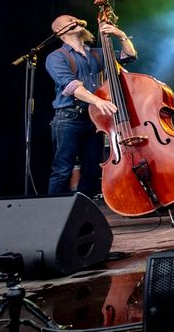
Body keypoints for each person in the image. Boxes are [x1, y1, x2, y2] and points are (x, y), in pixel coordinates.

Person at [44, 14, 137, 196]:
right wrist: (98, 100)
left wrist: (121, 35)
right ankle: (53, 215)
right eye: (69, 20)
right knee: (63, 169)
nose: (75, 20)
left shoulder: (97, 53)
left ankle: (83, 210)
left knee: (92, 169)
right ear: (59, 31)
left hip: (94, 118)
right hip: (68, 117)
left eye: (75, 18)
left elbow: (129, 56)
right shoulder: (56, 57)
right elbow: (71, 86)